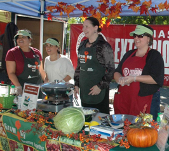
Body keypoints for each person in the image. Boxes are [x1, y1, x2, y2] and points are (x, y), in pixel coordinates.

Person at [113, 24, 164, 119]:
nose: (136, 38)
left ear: (149, 39)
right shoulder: (128, 54)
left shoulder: (154, 55)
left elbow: (156, 79)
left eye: (140, 36)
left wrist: (134, 78)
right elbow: (117, 71)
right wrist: (120, 78)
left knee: (144, 130)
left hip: (144, 101)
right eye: (135, 36)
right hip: (125, 99)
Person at [74, 17, 115, 114]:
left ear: (96, 28)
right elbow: (79, 67)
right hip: (84, 89)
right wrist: (76, 84)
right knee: (86, 119)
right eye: (83, 27)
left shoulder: (104, 46)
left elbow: (111, 70)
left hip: (98, 91)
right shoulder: (82, 44)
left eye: (87, 27)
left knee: (100, 121)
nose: (84, 29)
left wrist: (100, 86)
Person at [5, 29, 45, 95]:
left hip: (37, 89)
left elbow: (41, 71)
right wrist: (18, 87)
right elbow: (11, 73)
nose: (20, 39)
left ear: (30, 39)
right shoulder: (12, 53)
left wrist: (46, 83)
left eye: (23, 37)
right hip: (21, 88)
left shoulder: (37, 52)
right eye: (18, 37)